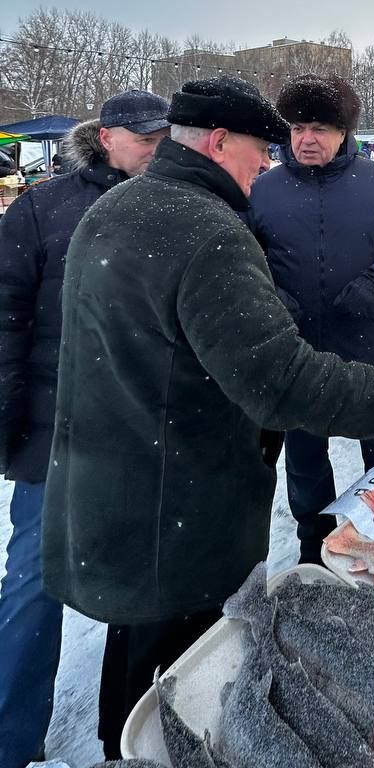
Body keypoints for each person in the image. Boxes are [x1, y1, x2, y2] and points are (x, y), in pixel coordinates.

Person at [41, 77, 374, 757]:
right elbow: (278, 380)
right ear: (220, 141)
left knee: (140, 669)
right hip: (181, 506)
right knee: (187, 680)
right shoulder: (205, 228)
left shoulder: (124, 206)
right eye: (262, 147)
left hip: (119, 488)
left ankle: (123, 744)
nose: (269, 163)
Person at [0, 90, 169, 768]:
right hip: (57, 433)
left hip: (145, 433)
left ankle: (128, 735)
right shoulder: (44, 208)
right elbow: (6, 319)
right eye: (144, 136)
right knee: (32, 593)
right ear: (105, 137)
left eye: (166, 134)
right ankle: (12, 742)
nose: (157, 146)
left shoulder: (175, 206)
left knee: (146, 586)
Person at [249, 74, 374, 564]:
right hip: (298, 349)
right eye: (299, 127)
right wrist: (274, 297)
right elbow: (246, 256)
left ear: (344, 132)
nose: (307, 139)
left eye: (321, 129)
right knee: (305, 455)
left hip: (368, 340)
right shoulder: (264, 190)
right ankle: (315, 544)